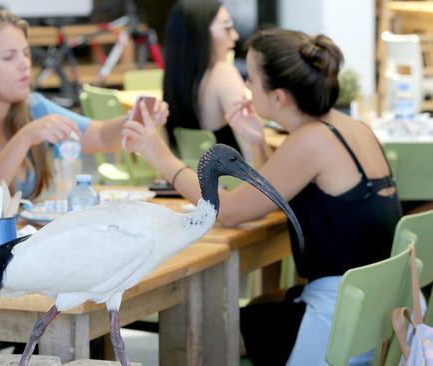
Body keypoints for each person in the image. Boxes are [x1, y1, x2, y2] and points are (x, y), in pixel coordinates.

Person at [123, 28, 402, 365]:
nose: (246, 89)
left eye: (251, 80)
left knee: (208, 326)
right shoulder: (350, 129)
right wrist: (256, 141)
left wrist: (161, 157)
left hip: (337, 322)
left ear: (279, 97)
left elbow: (225, 210)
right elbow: (278, 193)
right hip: (373, 311)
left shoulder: (312, 142)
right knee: (257, 306)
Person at [0, 9, 168, 203]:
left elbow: (101, 137)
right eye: (8, 57)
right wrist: (24, 139)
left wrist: (139, 118)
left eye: (26, 54)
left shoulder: (31, 106)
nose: (24, 64)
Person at [162, 0, 253, 161]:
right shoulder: (223, 73)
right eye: (226, 27)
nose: (235, 35)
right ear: (199, 33)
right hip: (235, 182)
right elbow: (253, 153)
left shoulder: (176, 78)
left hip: (194, 181)